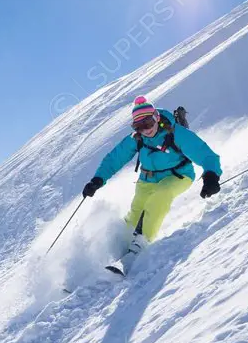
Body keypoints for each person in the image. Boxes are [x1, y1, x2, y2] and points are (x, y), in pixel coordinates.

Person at [81, 96, 222, 274]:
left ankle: (138, 248)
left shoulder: (176, 133)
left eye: (148, 122)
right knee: (134, 217)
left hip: (178, 175)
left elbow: (205, 153)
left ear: (156, 117)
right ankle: (113, 258)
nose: (145, 129)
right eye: (139, 126)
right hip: (146, 180)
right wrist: (97, 180)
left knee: (160, 197)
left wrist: (211, 175)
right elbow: (115, 158)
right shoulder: (137, 138)